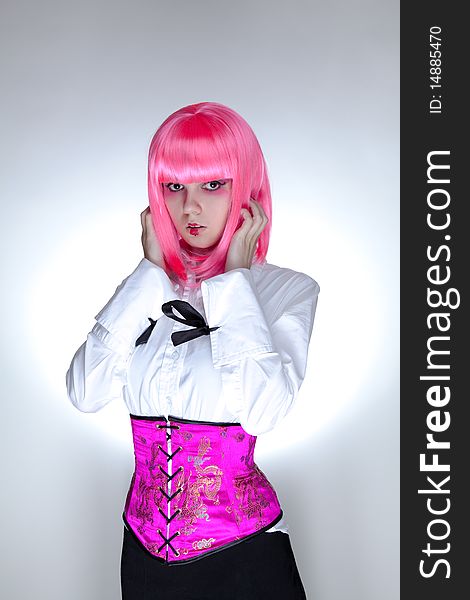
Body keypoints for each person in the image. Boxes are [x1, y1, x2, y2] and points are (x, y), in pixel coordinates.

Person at [66, 101, 320, 599]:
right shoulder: (146, 294)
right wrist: (147, 277)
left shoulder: (288, 291)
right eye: (174, 187)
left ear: (245, 189)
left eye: (212, 185)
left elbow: (264, 410)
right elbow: (85, 391)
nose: (190, 208)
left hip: (243, 558)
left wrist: (233, 284)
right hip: (142, 560)